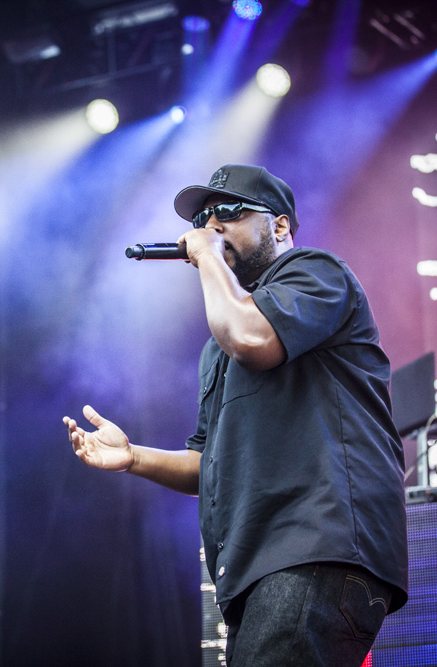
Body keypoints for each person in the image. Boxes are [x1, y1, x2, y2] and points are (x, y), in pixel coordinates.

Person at [64, 165, 408, 666]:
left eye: (228, 212)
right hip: (259, 566)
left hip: (315, 547)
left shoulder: (316, 272)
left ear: (281, 227)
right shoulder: (218, 348)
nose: (211, 225)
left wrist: (205, 254)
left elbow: (252, 337)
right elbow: (208, 465)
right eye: (204, 217)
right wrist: (133, 456)